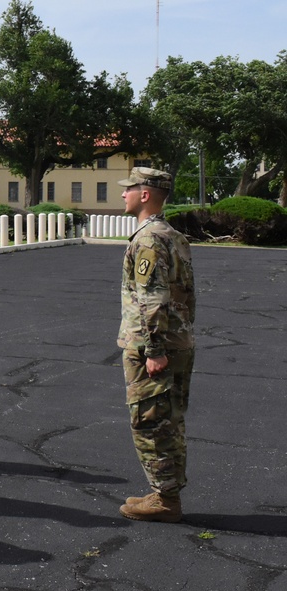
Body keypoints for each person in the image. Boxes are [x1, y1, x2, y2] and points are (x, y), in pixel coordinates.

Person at [116, 167, 196, 523]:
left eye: (128, 189)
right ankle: (165, 491)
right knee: (169, 420)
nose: (123, 194)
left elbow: (153, 299)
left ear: (145, 194)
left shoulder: (147, 239)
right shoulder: (173, 235)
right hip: (179, 340)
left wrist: (154, 350)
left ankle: (166, 500)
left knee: (150, 420)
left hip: (156, 344)